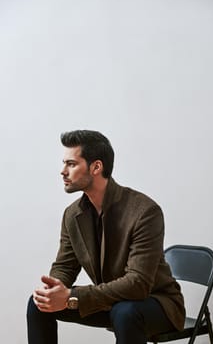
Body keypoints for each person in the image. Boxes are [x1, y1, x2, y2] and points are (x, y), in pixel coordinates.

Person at [27, 130, 185, 344]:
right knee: (38, 304)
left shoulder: (145, 212)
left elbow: (137, 284)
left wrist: (73, 297)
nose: (62, 171)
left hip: (156, 303)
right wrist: (54, 290)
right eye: (63, 163)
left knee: (125, 312)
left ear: (96, 167)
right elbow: (65, 266)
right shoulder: (72, 215)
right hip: (111, 301)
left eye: (71, 164)